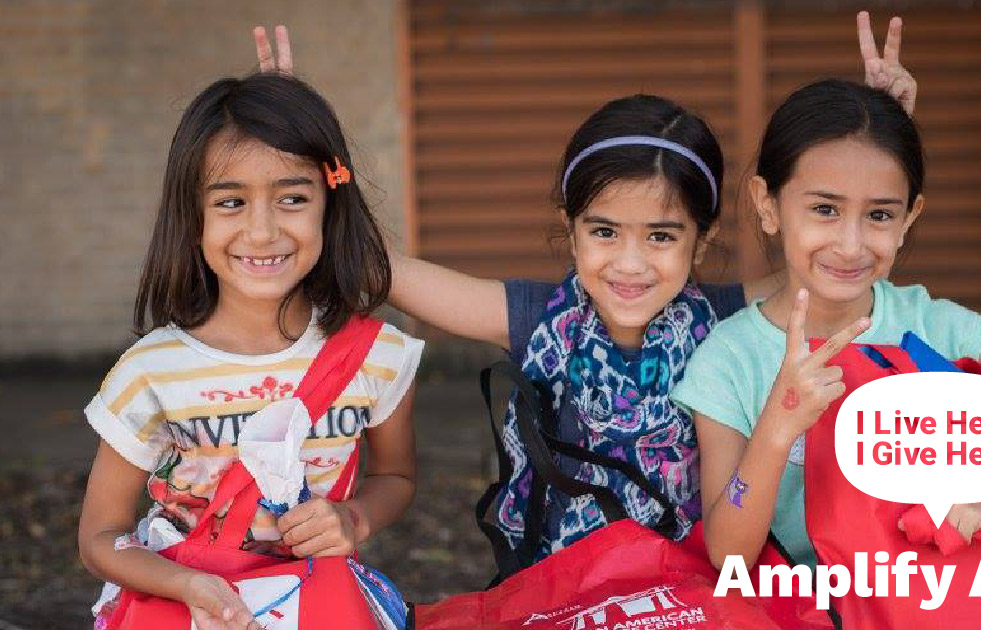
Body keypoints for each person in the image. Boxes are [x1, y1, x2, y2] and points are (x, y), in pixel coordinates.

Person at [252, 12, 916, 562]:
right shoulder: (536, 318)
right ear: (571, 233)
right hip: (555, 596)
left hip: (692, 596)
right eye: (605, 233)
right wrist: (299, 149)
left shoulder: (727, 323)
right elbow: (373, 266)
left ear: (702, 240)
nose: (630, 264)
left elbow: (831, 264)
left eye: (661, 236)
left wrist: (873, 147)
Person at [670, 79, 981, 569]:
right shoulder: (729, 358)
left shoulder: (941, 331)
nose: (851, 243)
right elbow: (728, 554)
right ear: (768, 204)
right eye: (825, 209)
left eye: (880, 214)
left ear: (909, 218)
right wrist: (779, 425)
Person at [77, 73, 422, 630]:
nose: (261, 232)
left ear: (330, 210)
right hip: (181, 603)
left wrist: (353, 517)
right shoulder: (148, 374)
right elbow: (99, 536)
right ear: (193, 219)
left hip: (319, 602)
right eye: (231, 201)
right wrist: (184, 584)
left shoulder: (378, 357)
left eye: (292, 198)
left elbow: (397, 480)